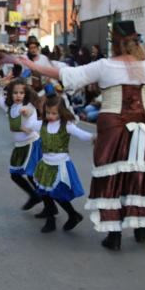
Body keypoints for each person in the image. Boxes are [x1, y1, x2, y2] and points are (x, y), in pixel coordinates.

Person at [20, 20, 145, 250]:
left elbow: (67, 74)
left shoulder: (105, 66)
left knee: (113, 177)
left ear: (115, 43)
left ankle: (114, 235)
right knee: (142, 174)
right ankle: (141, 229)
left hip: (115, 127)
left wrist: (33, 66)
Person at [29, 95, 92, 233]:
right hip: (45, 165)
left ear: (61, 112)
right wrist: (29, 112)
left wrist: (96, 137)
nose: (50, 116)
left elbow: (82, 134)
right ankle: (50, 221)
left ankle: (73, 214)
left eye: (54, 113)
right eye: (48, 113)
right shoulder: (42, 124)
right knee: (45, 193)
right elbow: (30, 124)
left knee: (58, 194)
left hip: (60, 166)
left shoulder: (67, 126)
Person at [0, 75, 44, 212]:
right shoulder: (10, 107)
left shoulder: (28, 106)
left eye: (21, 93)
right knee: (15, 175)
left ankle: (48, 205)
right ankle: (35, 196)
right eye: (15, 93)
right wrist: (0, 86)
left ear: (26, 93)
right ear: (10, 94)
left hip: (32, 144)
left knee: (33, 176)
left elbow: (31, 119)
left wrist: (27, 113)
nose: (18, 96)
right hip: (20, 146)